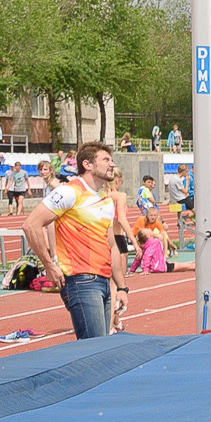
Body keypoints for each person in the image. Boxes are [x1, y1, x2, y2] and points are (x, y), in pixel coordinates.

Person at [24, 142, 131, 340]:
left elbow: (112, 246)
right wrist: (48, 264)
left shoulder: (105, 200)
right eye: (106, 160)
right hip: (81, 280)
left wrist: (121, 287)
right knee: (93, 348)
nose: (112, 165)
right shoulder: (69, 192)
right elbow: (31, 225)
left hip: (104, 280)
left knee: (102, 345)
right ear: (88, 165)